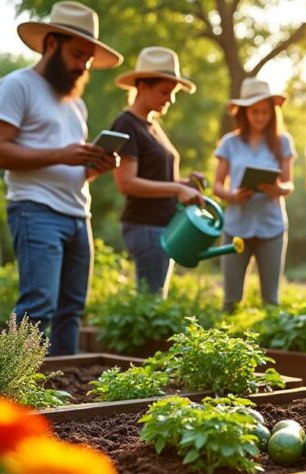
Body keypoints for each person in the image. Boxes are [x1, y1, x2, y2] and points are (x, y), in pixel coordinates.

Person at [0, 1, 121, 356]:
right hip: (36, 210)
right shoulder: (17, 86)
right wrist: (63, 154)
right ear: (50, 44)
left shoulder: (77, 104)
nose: (83, 66)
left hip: (79, 216)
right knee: (37, 307)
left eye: (89, 60)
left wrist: (94, 168)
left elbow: (72, 168)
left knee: (71, 310)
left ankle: (65, 393)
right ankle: (10, 389)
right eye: (78, 55)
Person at [110, 46, 200, 297]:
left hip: (162, 225)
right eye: (164, 92)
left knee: (156, 301)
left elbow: (157, 179)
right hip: (144, 226)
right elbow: (126, 183)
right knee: (151, 304)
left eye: (173, 93)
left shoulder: (153, 125)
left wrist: (185, 184)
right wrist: (176, 188)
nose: (170, 99)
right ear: (142, 87)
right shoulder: (127, 124)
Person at [213, 77, 296, 311]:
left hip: (272, 227)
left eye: (265, 112)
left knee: (271, 300)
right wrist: (232, 195)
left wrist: (278, 190)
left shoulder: (283, 142)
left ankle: (269, 344)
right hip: (236, 227)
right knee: (231, 301)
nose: (260, 117)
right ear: (243, 112)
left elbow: (289, 183)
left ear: (273, 113)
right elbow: (217, 185)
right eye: (254, 112)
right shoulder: (230, 143)